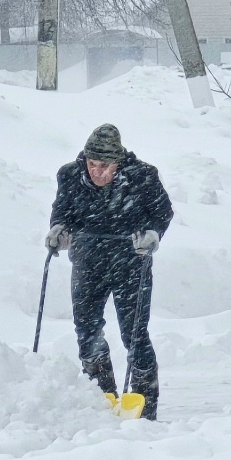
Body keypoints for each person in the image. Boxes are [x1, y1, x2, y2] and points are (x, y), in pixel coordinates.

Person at [46, 123, 173, 420]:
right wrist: (59, 230)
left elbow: (162, 212)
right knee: (87, 332)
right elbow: (62, 211)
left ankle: (143, 405)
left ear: (119, 162)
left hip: (131, 263)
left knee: (134, 334)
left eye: (105, 166)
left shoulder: (143, 176)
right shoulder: (70, 175)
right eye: (92, 164)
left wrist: (153, 233)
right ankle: (101, 398)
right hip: (88, 263)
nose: (98, 172)